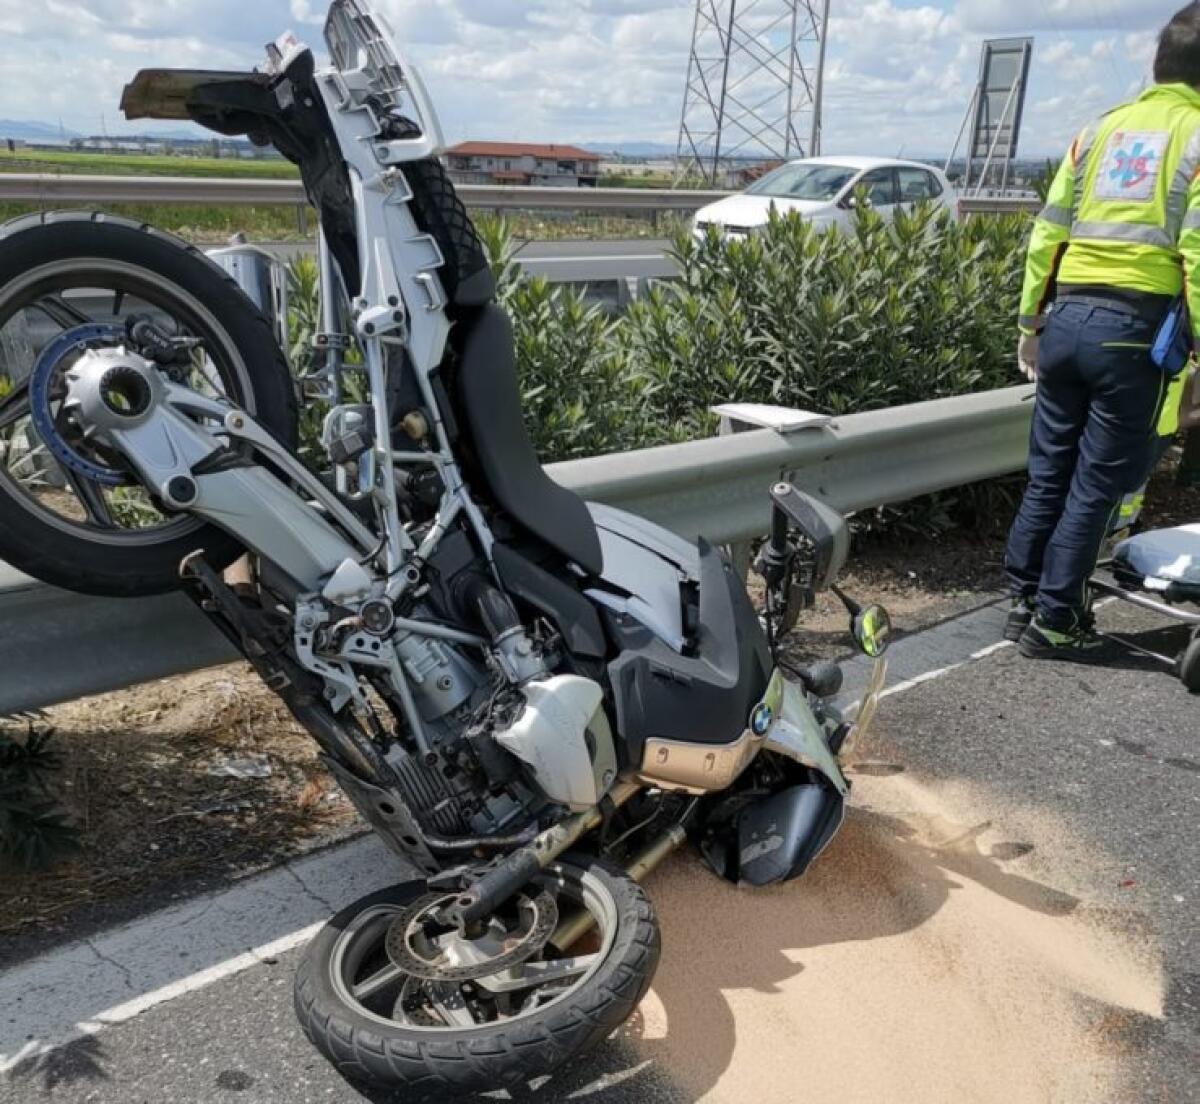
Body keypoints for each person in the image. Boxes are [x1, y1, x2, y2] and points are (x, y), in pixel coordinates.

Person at [1004, 2, 1200, 664]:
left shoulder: (1100, 130)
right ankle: (1059, 621)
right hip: (1134, 332)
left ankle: (1024, 601)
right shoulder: (1199, 136)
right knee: (1099, 483)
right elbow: (1198, 256)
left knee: (1049, 471)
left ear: (1158, 60)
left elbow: (1048, 231)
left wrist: (1031, 322)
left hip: (1064, 322)